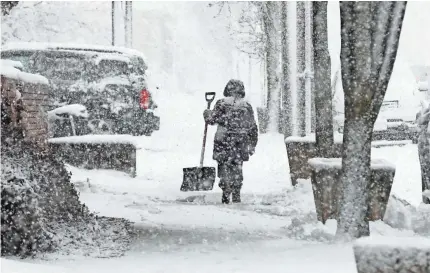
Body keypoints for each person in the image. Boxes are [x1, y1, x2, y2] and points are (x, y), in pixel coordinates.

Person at [203, 79, 258, 204]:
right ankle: (236, 190)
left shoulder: (221, 103)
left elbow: (212, 119)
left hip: (223, 140)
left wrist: (207, 114)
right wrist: (252, 143)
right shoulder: (246, 106)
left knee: (223, 166)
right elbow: (252, 127)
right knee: (237, 166)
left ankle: (226, 190)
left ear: (227, 90)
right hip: (240, 142)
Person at [416, 104, 430, 204]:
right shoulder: (426, 115)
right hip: (426, 151)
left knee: (426, 177)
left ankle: (427, 198)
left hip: (425, 151)